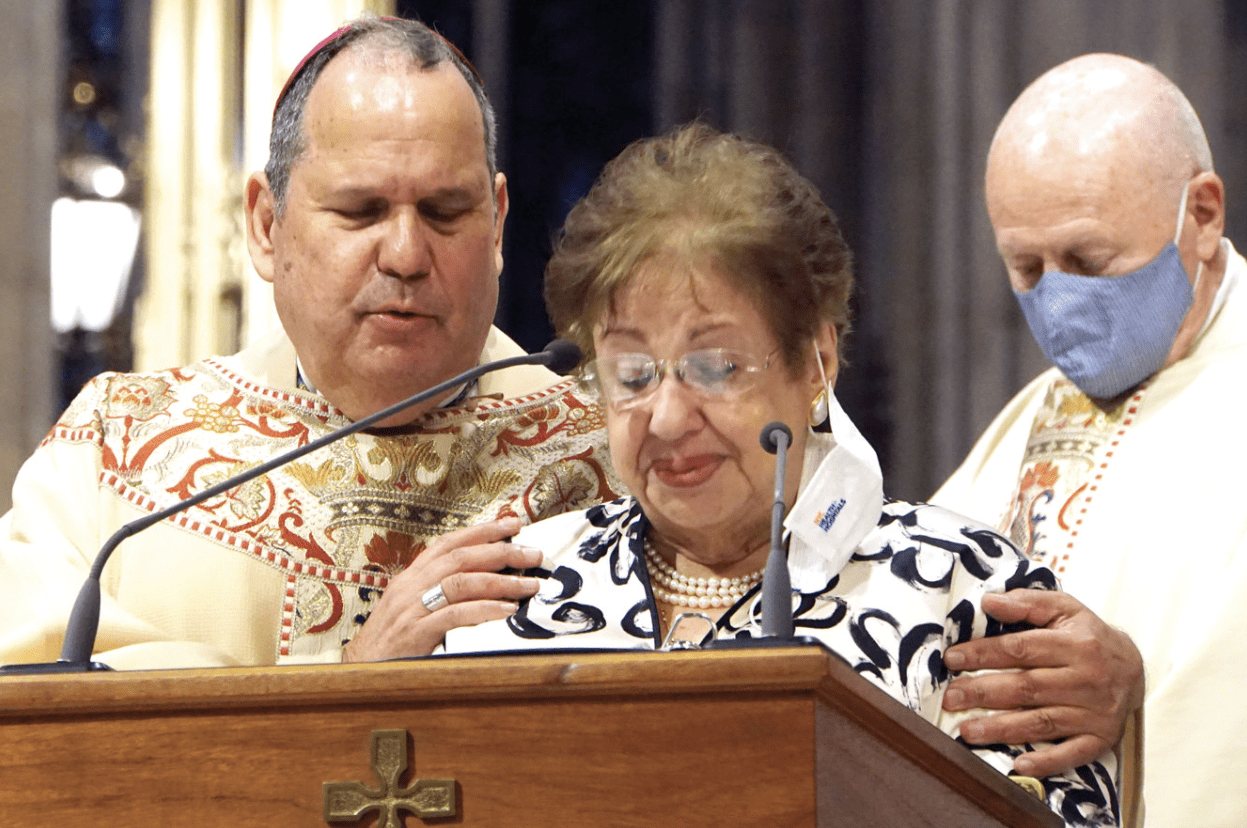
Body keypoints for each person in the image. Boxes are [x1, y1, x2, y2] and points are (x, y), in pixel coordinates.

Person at [0, 17, 618, 828]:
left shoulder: (618, 455)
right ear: (267, 225)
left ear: (499, 223)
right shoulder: (115, 458)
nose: (405, 253)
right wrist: (350, 693)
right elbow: (29, 768)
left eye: (445, 211)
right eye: (362, 210)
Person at [439, 124, 1119, 827]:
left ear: (815, 359)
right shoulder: (518, 587)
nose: (667, 417)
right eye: (633, 374)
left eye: (716, 367)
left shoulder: (964, 596)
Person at [933, 53, 1247, 827]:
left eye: (1087, 260)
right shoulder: (1029, 419)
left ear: (1202, 215)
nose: (1060, 300)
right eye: (1027, 268)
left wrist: (1135, 700)